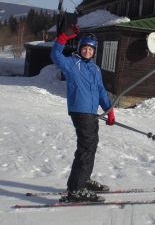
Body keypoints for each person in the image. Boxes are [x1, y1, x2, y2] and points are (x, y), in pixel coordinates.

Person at [50, 24, 115, 203]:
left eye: (91, 48)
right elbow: (55, 56)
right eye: (85, 48)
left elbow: (101, 91)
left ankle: (83, 179)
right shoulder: (72, 64)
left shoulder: (95, 69)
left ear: (95, 51)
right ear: (80, 49)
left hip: (92, 114)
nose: (87, 51)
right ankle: (75, 191)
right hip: (80, 111)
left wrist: (109, 111)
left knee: (91, 147)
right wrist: (63, 38)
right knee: (85, 149)